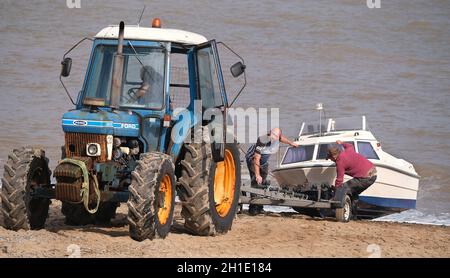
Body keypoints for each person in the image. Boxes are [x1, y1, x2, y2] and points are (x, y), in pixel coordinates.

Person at [245, 128, 299, 215]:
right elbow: (256, 159)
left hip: (264, 161)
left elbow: (281, 138)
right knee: (256, 181)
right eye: (272, 135)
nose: (274, 138)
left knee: (263, 183)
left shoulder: (278, 137)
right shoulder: (262, 140)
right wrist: (258, 175)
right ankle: (253, 208)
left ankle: (260, 206)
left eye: (276, 136)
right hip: (253, 160)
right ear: (270, 133)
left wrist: (291, 143)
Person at [327, 140, 377, 216]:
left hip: (365, 178)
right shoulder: (348, 151)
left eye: (330, 158)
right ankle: (354, 214)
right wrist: (342, 143)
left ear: (334, 156)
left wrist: (336, 192)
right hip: (373, 173)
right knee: (353, 193)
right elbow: (350, 145)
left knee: (343, 188)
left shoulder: (340, 162)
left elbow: (339, 180)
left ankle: (337, 208)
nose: (331, 160)